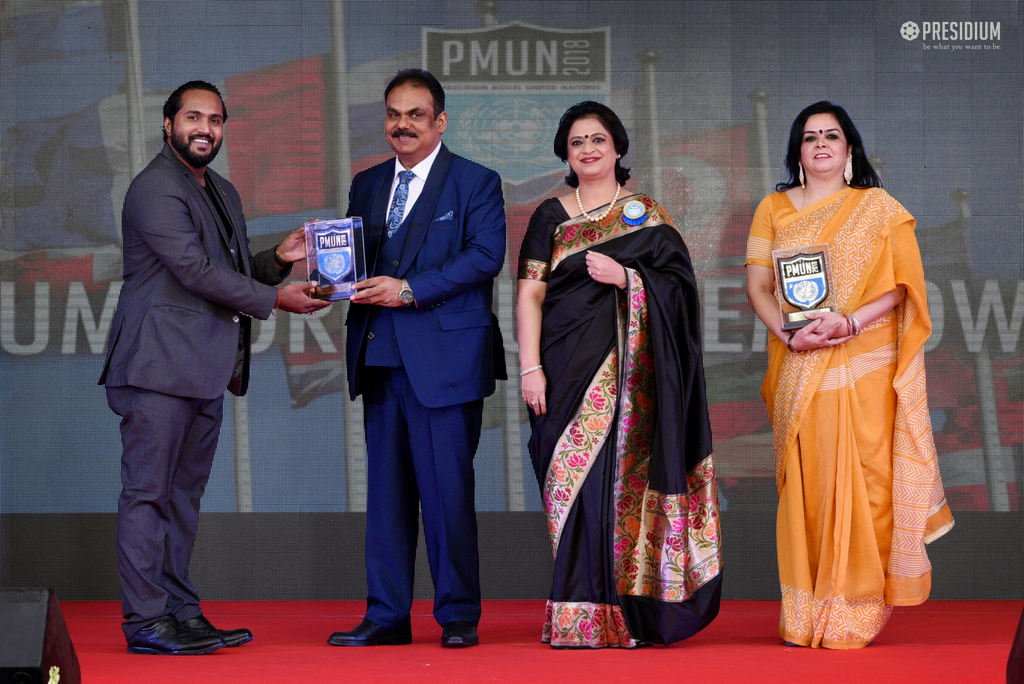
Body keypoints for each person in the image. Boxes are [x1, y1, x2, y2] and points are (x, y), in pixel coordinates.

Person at [99, 80, 329, 655]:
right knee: (148, 496)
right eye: (193, 117)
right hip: (156, 367)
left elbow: (229, 272)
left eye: (216, 120)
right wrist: (277, 299)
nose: (205, 128)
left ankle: (180, 612)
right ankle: (146, 623)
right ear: (168, 124)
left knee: (182, 499)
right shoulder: (154, 187)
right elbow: (194, 271)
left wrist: (279, 260)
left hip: (204, 369)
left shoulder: (221, 189)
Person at [744, 100, 954, 649]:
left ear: (849, 149)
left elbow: (902, 286)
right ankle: (805, 610)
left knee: (869, 479)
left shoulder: (877, 208)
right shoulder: (772, 207)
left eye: (831, 135)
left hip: (863, 361)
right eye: (809, 136)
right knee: (809, 484)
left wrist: (848, 321)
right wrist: (789, 335)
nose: (820, 144)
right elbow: (758, 286)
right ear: (796, 151)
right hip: (799, 361)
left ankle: (856, 607)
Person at [516, 101, 721, 649]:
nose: (588, 149)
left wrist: (629, 278)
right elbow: (530, 295)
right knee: (569, 485)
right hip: (561, 369)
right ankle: (577, 611)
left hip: (634, 381)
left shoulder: (646, 215)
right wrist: (530, 367)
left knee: (617, 486)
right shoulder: (549, 216)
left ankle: (625, 613)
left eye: (597, 139)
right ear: (565, 153)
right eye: (577, 141)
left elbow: (681, 292)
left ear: (618, 148)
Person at [328, 69, 506, 649]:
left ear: (440, 121)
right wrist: (328, 277)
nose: (402, 125)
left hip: (446, 361)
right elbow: (353, 261)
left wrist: (408, 290)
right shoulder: (367, 183)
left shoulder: (477, 182)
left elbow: (485, 256)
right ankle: (386, 615)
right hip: (379, 355)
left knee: (447, 493)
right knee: (385, 498)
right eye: (393, 114)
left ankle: (457, 615)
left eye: (415, 115)